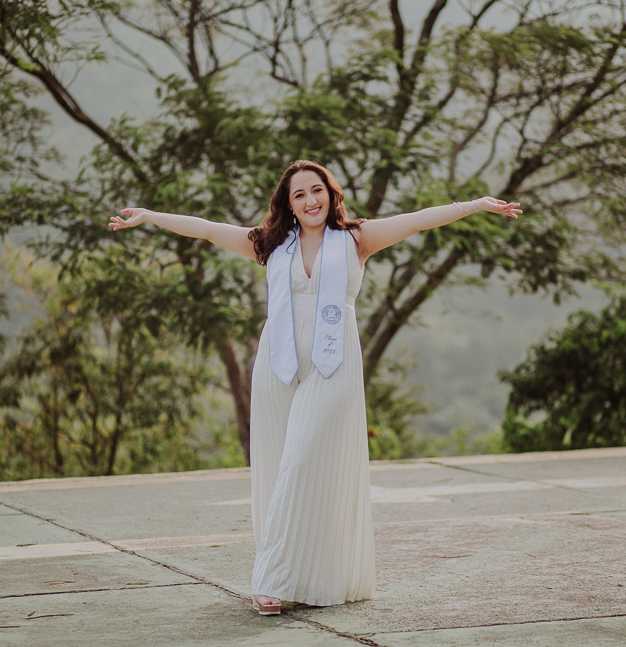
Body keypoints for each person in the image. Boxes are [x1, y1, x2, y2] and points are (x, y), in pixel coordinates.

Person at [108, 160, 521, 615]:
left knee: (303, 461)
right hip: (277, 364)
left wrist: (475, 206)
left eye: (317, 190)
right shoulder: (270, 244)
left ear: (331, 193)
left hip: (333, 363)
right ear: (288, 204)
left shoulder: (356, 239)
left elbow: (419, 219)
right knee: (278, 465)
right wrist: (151, 217)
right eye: (299, 194)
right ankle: (301, 577)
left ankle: (270, 579)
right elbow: (207, 230)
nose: (310, 200)